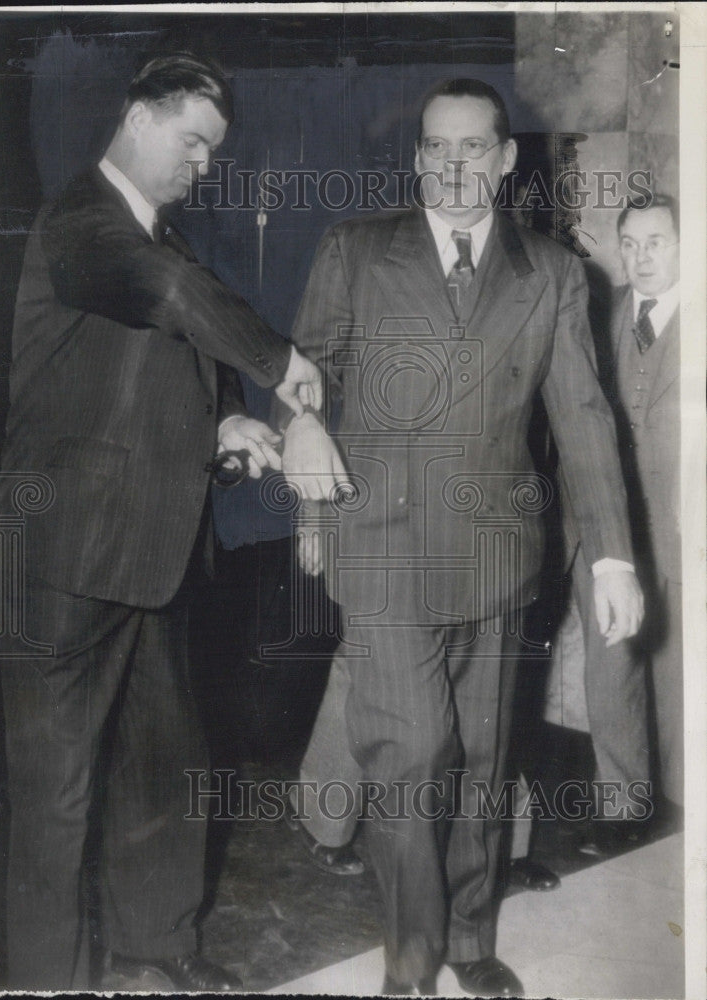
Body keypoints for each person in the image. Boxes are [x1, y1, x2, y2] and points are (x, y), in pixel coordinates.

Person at [279, 77, 643, 997]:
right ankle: (411, 960)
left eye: (471, 147)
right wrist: (309, 493)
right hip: (384, 548)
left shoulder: (551, 272)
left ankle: (472, 943)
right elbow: (305, 381)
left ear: (504, 157)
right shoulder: (355, 251)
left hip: (496, 554)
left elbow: (584, 417)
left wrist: (611, 555)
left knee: (482, 766)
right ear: (416, 159)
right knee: (408, 762)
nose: (451, 167)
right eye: (435, 149)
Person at [0, 52, 323, 992]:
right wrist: (278, 362)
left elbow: (153, 366)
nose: (203, 166)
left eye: (214, 153)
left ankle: (156, 953)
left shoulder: (158, 238)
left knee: (163, 776)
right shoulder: (82, 225)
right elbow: (169, 301)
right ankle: (48, 981)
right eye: (193, 143)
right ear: (139, 118)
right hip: (62, 564)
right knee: (56, 803)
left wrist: (226, 420)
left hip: (157, 554)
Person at [571, 194, 681, 854]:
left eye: (656, 242)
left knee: (676, 666)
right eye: (631, 243)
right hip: (611, 523)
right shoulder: (603, 317)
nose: (641, 256)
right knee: (610, 663)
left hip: (680, 521)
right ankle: (623, 807)